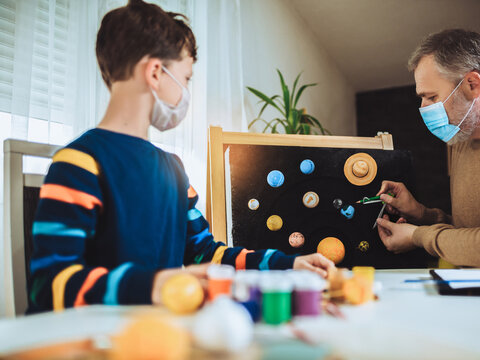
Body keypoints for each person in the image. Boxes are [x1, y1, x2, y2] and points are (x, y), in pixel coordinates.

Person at [27, 0, 334, 313]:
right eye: (186, 78)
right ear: (156, 73)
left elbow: (207, 254)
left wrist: (288, 263)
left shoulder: (174, 171)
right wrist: (159, 284)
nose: (186, 91)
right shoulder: (78, 163)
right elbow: (51, 284)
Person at [375, 29, 480, 270]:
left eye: (431, 97)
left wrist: (417, 236)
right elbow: (472, 234)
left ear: (472, 84)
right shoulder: (461, 136)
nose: (424, 108)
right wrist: (422, 215)